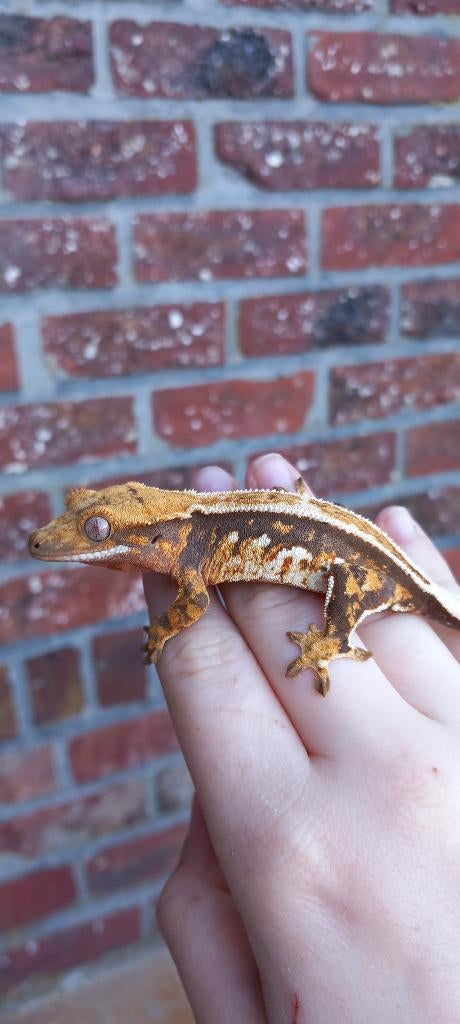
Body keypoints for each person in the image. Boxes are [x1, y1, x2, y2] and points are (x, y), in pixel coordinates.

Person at [144, 452, 460, 1024]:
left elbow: (190, 602)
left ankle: (333, 640)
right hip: (344, 548)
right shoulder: (186, 540)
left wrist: (326, 641)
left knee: (335, 614)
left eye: (94, 530)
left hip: (375, 579)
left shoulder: (185, 552)